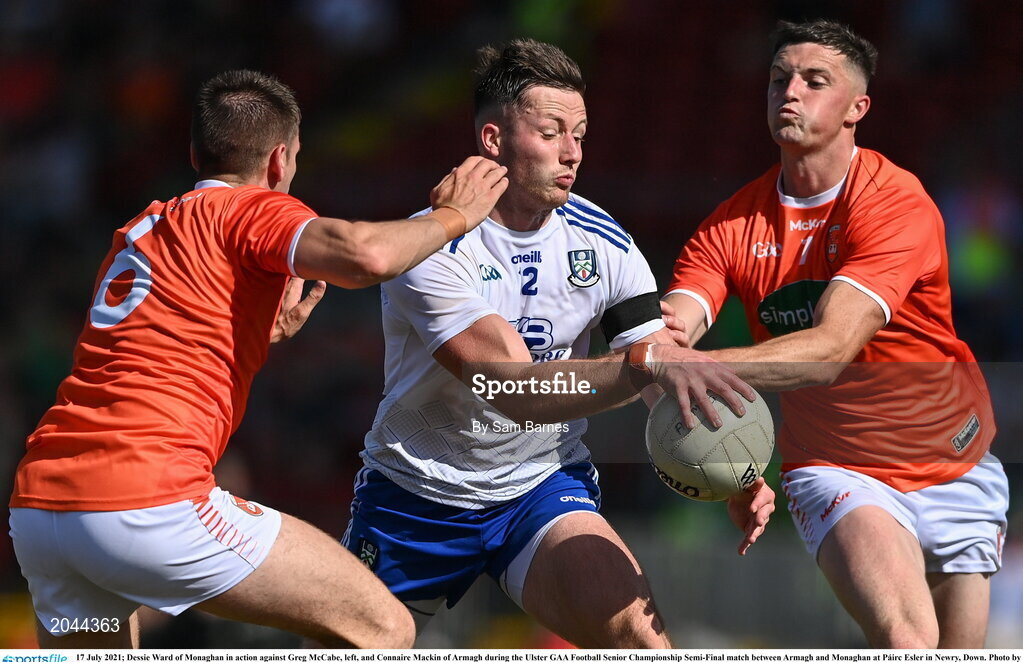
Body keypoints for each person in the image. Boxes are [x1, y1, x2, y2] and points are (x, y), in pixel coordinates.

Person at [8, 69, 508, 649]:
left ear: (196, 152)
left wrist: (255, 334)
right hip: (148, 503)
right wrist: (454, 217)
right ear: (279, 161)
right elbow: (363, 255)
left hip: (44, 512)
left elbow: (151, 349)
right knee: (383, 626)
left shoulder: (139, 232)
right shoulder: (249, 207)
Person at [340, 39, 776, 649]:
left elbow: (665, 373)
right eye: (552, 132)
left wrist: (733, 464)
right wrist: (643, 364)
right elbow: (510, 390)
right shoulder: (428, 245)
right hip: (417, 495)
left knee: (640, 638)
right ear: (493, 141)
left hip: (539, 488)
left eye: (581, 134)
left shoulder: (607, 243)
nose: (573, 152)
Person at [662, 20, 1008, 648]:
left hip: (955, 457)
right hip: (838, 466)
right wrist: (733, 468)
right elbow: (673, 333)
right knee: (908, 642)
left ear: (857, 108)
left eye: (813, 81)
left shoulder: (896, 202)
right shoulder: (729, 226)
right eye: (777, 79)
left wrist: (699, 366)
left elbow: (829, 351)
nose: (788, 92)